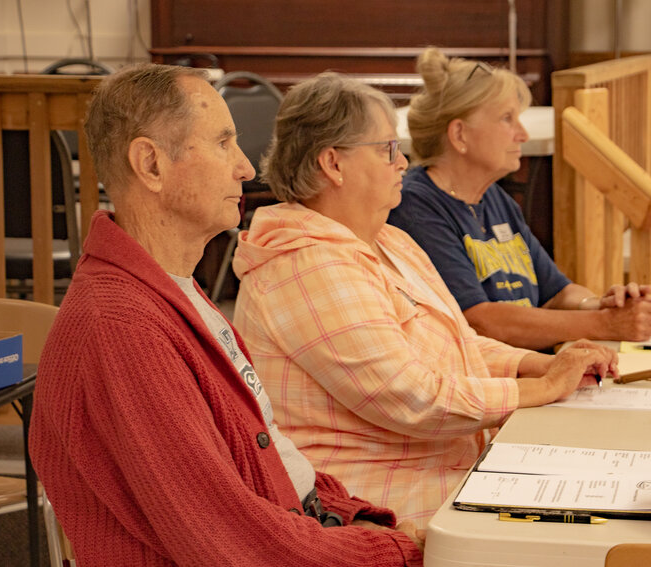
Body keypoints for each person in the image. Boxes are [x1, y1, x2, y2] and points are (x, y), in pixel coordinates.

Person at [28, 63, 423, 566]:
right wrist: (395, 550)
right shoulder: (121, 328)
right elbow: (229, 542)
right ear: (150, 164)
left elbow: (271, 459)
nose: (246, 167)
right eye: (221, 143)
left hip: (307, 528)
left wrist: (361, 520)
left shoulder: (174, 290)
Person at [232, 72, 618, 527]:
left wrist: (541, 365)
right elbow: (412, 397)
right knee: (585, 522)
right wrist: (545, 388)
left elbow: (459, 344)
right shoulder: (306, 264)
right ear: (333, 164)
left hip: (439, 463)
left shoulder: (389, 240)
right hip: (376, 501)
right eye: (388, 149)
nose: (403, 162)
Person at [387, 48, 651, 352]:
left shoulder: (493, 196)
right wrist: (605, 324)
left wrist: (600, 304)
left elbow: (557, 293)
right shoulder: (414, 206)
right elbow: (481, 322)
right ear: (460, 135)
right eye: (507, 119)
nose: (522, 133)